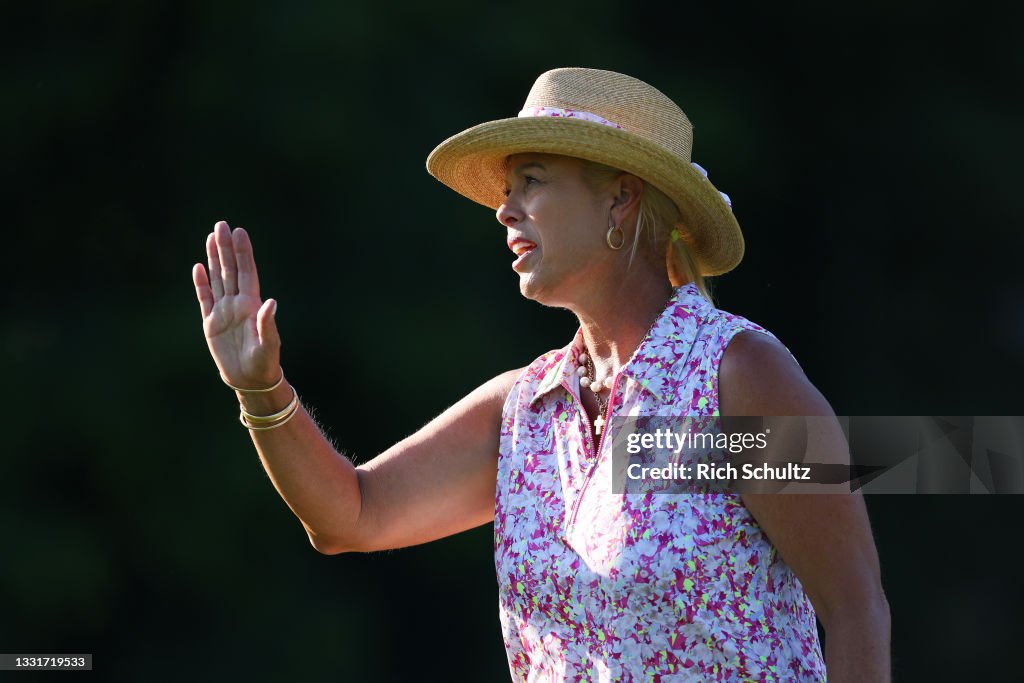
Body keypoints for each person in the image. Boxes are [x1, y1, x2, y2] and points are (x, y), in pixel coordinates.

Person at [192, 67, 890, 682]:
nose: (504, 208)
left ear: (620, 200)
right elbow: (351, 514)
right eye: (507, 186)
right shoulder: (524, 408)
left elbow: (855, 604)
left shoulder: (737, 375)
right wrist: (261, 390)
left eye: (531, 180)